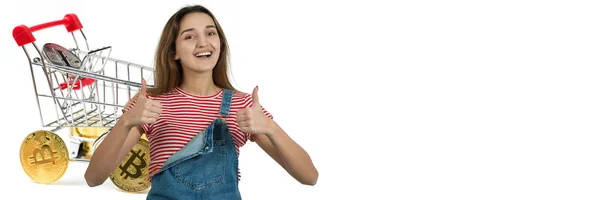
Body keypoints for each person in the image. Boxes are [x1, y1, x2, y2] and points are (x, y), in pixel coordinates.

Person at [84, 4, 318, 199]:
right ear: (173, 51)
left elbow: (309, 177)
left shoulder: (242, 106)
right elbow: (93, 178)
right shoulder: (151, 103)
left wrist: (271, 128)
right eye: (189, 36)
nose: (203, 42)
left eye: (210, 33)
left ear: (220, 44)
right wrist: (126, 121)